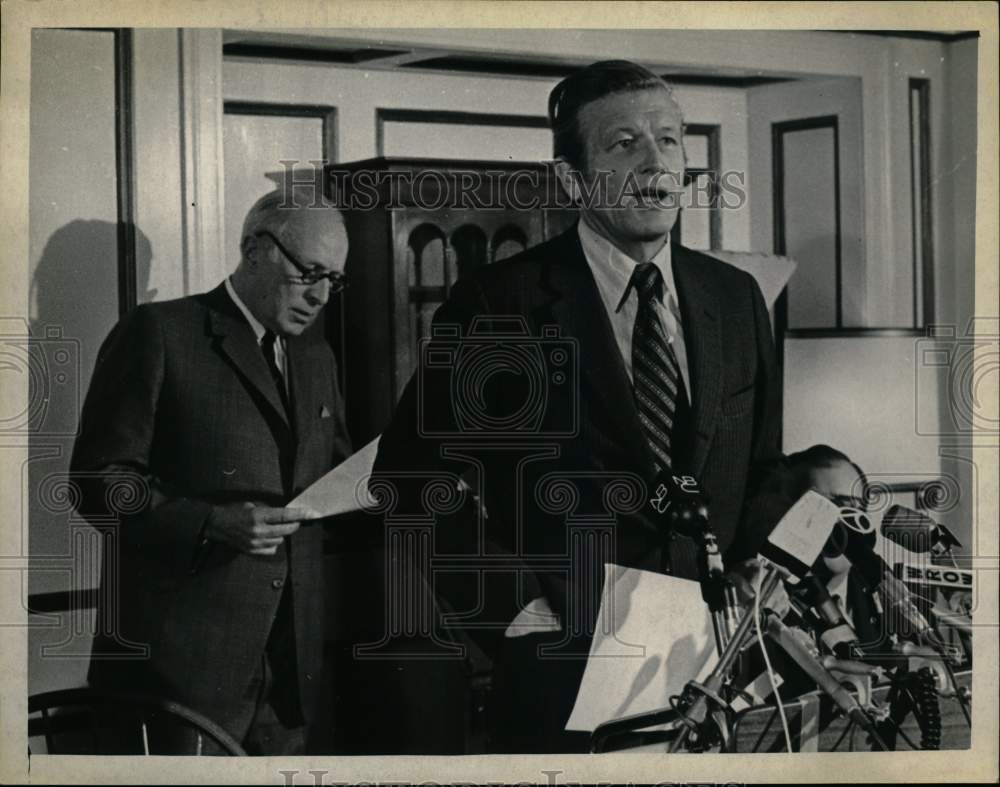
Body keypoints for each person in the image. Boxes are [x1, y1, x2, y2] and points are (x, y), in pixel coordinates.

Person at [372, 60, 781, 752]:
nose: (657, 163)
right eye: (625, 144)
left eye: (671, 140)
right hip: (561, 669)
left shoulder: (735, 298)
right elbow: (409, 477)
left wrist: (762, 563)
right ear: (572, 179)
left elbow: (763, 465)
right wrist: (514, 605)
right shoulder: (502, 302)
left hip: (712, 671)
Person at [70, 191, 352, 754]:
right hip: (179, 678)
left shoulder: (316, 357)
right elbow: (98, 483)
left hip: (291, 677)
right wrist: (210, 523)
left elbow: (334, 476)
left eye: (333, 280)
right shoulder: (161, 333)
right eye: (310, 273)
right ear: (254, 250)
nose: (321, 295)